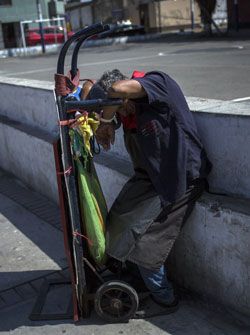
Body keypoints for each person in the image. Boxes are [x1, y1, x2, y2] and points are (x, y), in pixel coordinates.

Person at [86, 69, 212, 311]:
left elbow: (115, 90)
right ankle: (130, 274)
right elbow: (92, 88)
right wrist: (109, 119)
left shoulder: (157, 83)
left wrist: (104, 121)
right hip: (150, 180)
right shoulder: (126, 111)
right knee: (117, 220)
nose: (121, 116)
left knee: (148, 246)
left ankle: (164, 297)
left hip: (182, 179)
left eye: (120, 109)